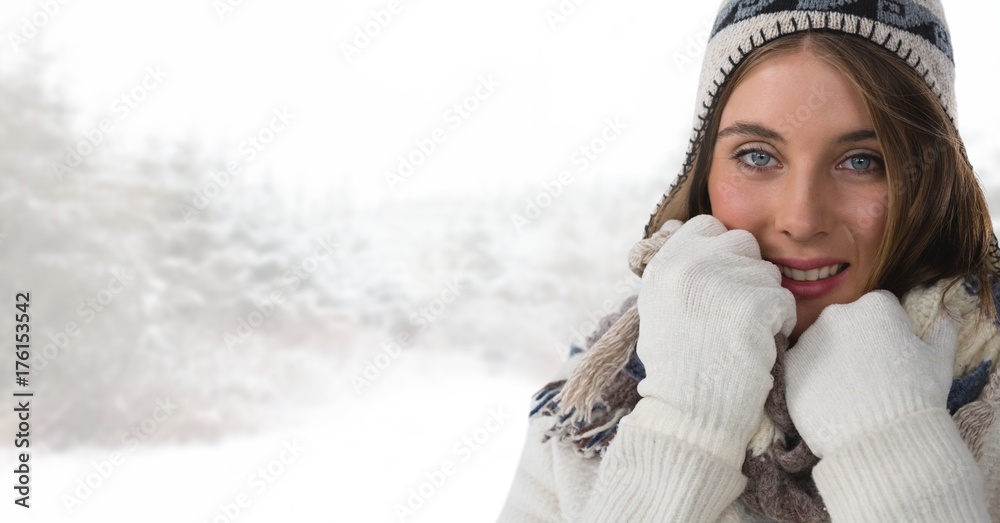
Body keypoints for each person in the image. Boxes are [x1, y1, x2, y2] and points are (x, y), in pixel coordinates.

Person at [497, 1, 1000, 521]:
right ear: (703, 170)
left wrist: (890, 440)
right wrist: (685, 420)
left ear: (933, 179)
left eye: (862, 161)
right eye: (757, 155)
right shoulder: (596, 394)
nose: (801, 220)